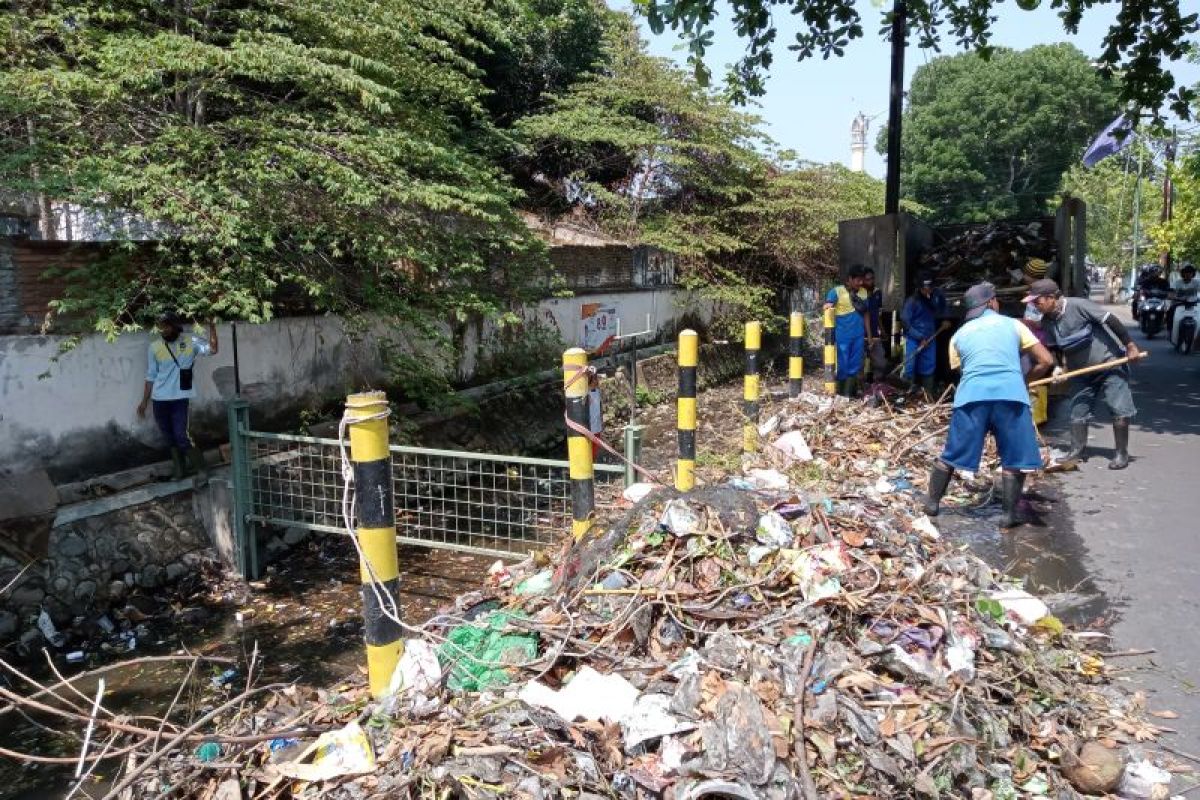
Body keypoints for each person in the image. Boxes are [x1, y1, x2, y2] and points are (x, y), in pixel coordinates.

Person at [922, 283, 1054, 528]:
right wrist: (1024, 381)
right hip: (1011, 396)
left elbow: (963, 372)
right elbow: (1046, 360)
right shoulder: (1015, 325)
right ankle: (1008, 516)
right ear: (993, 302)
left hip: (972, 397)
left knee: (952, 454)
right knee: (1014, 459)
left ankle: (932, 503)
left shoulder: (959, 335)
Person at [1025, 278, 1142, 470]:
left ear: (1052, 298)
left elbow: (1111, 320)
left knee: (1118, 407)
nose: (1035, 305)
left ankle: (1121, 452)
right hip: (1081, 372)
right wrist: (1057, 368)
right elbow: (1056, 349)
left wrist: (1130, 345)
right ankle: (1077, 450)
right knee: (1078, 410)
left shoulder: (1079, 306)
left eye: (1037, 301)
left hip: (1109, 364)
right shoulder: (1047, 321)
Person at [137, 312, 218, 479]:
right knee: (169, 437)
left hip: (180, 398)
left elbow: (213, 349)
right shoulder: (154, 347)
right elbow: (151, 375)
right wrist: (144, 402)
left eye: (166, 326)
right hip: (159, 399)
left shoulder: (191, 341)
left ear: (175, 326)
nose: (163, 330)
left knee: (182, 436)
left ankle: (202, 469)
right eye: (161, 327)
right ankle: (180, 471)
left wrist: (212, 326)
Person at [899, 271, 946, 396]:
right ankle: (906, 396)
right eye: (925, 288)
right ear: (920, 288)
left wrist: (941, 297)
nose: (928, 290)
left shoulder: (933, 298)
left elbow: (941, 310)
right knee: (909, 367)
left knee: (928, 368)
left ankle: (927, 397)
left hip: (929, 339)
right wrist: (919, 337)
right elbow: (905, 322)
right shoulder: (912, 301)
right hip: (913, 339)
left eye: (930, 288)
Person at [824, 265, 868, 397]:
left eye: (862, 280)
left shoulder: (864, 292)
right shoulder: (836, 291)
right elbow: (827, 306)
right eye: (858, 280)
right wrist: (828, 306)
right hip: (843, 336)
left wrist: (869, 334)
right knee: (843, 365)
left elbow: (866, 314)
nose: (860, 283)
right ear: (850, 279)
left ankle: (850, 393)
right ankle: (841, 393)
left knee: (855, 364)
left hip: (858, 335)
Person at [861, 268, 888, 384]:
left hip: (875, 335)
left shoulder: (878, 293)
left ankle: (878, 387)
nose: (870, 282)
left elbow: (877, 314)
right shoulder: (858, 294)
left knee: (881, 363)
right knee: (859, 365)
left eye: (872, 279)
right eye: (867, 280)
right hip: (861, 335)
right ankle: (860, 389)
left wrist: (882, 330)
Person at [1168, 263, 1200, 339]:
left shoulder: (1197, 282)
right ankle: (1170, 329)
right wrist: (1175, 297)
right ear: (1183, 274)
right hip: (1179, 303)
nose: (1188, 274)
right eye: (1186, 272)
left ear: (1193, 274)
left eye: (1190, 272)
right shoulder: (1177, 282)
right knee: (1171, 311)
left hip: (1193, 304)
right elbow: (1171, 294)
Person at [587, 368, 603, 460]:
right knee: (588, 451)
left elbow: (599, 407)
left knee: (595, 450)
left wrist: (601, 421)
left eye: (596, 379)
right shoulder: (585, 393)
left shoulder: (597, 392)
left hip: (597, 426)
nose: (596, 381)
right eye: (594, 379)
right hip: (588, 428)